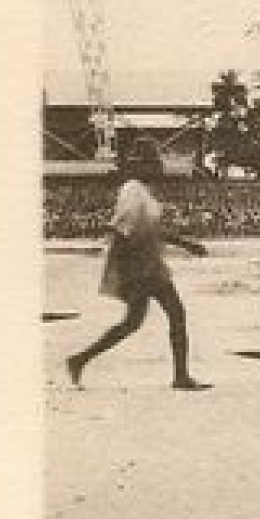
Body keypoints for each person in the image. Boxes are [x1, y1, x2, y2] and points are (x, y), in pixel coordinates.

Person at [66, 140, 209, 390]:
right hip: (140, 266)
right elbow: (121, 230)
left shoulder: (141, 190)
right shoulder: (132, 190)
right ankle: (181, 376)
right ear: (139, 165)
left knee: (136, 322)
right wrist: (122, 271)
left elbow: (153, 230)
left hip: (149, 264)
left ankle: (79, 360)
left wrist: (185, 244)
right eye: (151, 162)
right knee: (168, 315)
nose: (157, 167)